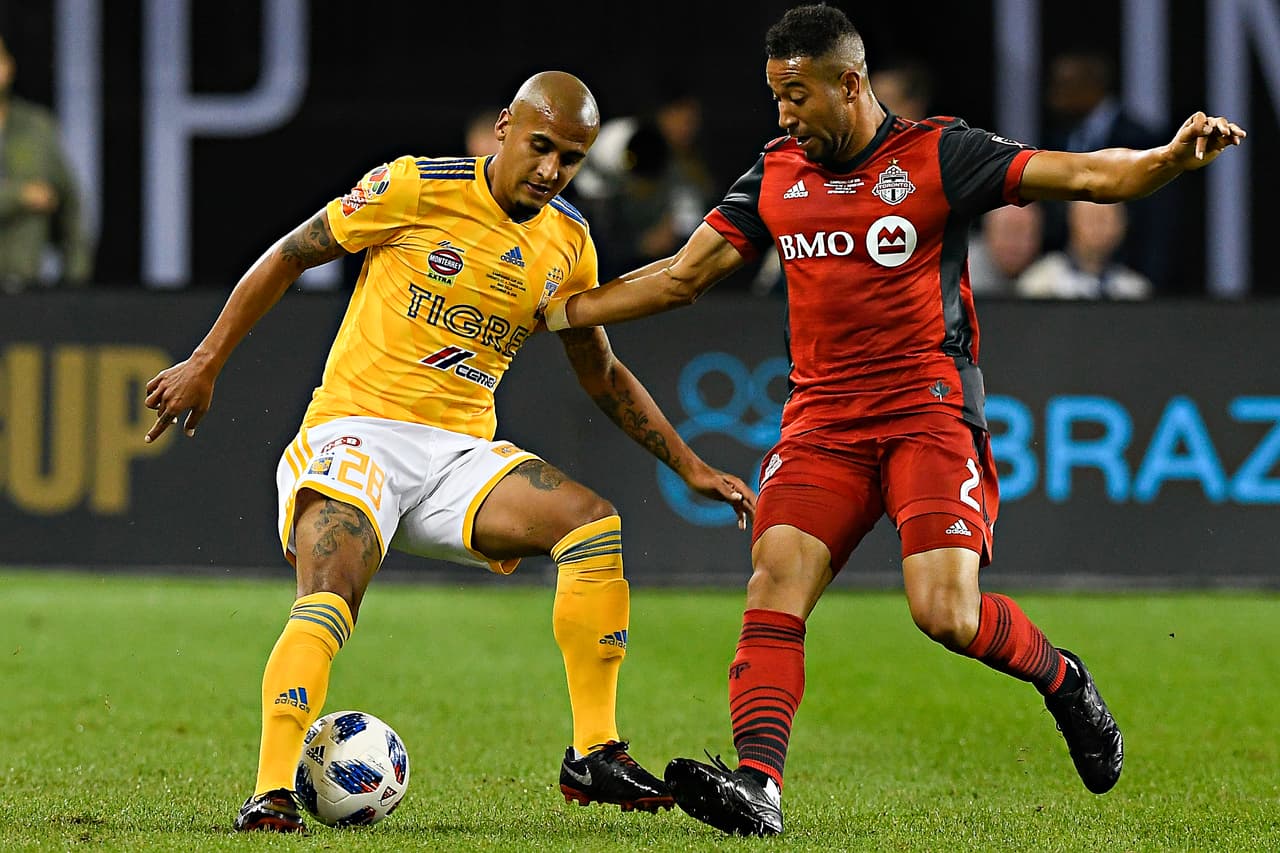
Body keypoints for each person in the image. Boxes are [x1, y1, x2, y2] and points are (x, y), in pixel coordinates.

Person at [545, 5, 1245, 837]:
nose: (783, 115)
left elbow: (1094, 176)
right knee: (774, 579)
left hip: (928, 414)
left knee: (943, 611)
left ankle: (1062, 678)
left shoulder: (939, 154)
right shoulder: (775, 172)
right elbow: (680, 277)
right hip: (821, 425)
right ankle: (758, 784)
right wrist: (561, 310)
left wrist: (1169, 157)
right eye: (775, 97)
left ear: (851, 82)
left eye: (796, 95)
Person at [142, 70, 756, 834]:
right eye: (539, 146)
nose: (549, 169)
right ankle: (270, 791)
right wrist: (206, 361)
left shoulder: (568, 241)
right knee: (332, 591)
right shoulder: (413, 187)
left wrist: (690, 464)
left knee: (591, 523)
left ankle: (594, 751)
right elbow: (290, 255)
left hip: (458, 453)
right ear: (505, 126)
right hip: (355, 431)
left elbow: (600, 370)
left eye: (569, 157)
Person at [1042, 47, 1176, 294]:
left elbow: (1156, 224)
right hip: (1066, 283)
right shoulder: (1058, 139)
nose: (1054, 95)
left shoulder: (1142, 143)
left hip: (1125, 282)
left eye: (1065, 84)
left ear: (1091, 86)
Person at [0, 31, 92, 292]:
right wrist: (20, 195)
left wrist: (75, 278)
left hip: (25, 285)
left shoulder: (36, 127)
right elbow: (33, 195)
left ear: (9, 66)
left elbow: (70, 201)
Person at [1017, 200, 1151, 300]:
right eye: (1091, 218)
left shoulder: (1135, 290)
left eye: (1106, 220)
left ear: (1122, 227)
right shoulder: (1040, 283)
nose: (1099, 228)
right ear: (1071, 221)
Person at [967, 203, 1045, 297]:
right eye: (1006, 232)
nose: (1013, 243)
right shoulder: (959, 275)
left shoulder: (1050, 277)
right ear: (987, 233)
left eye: (1021, 233)